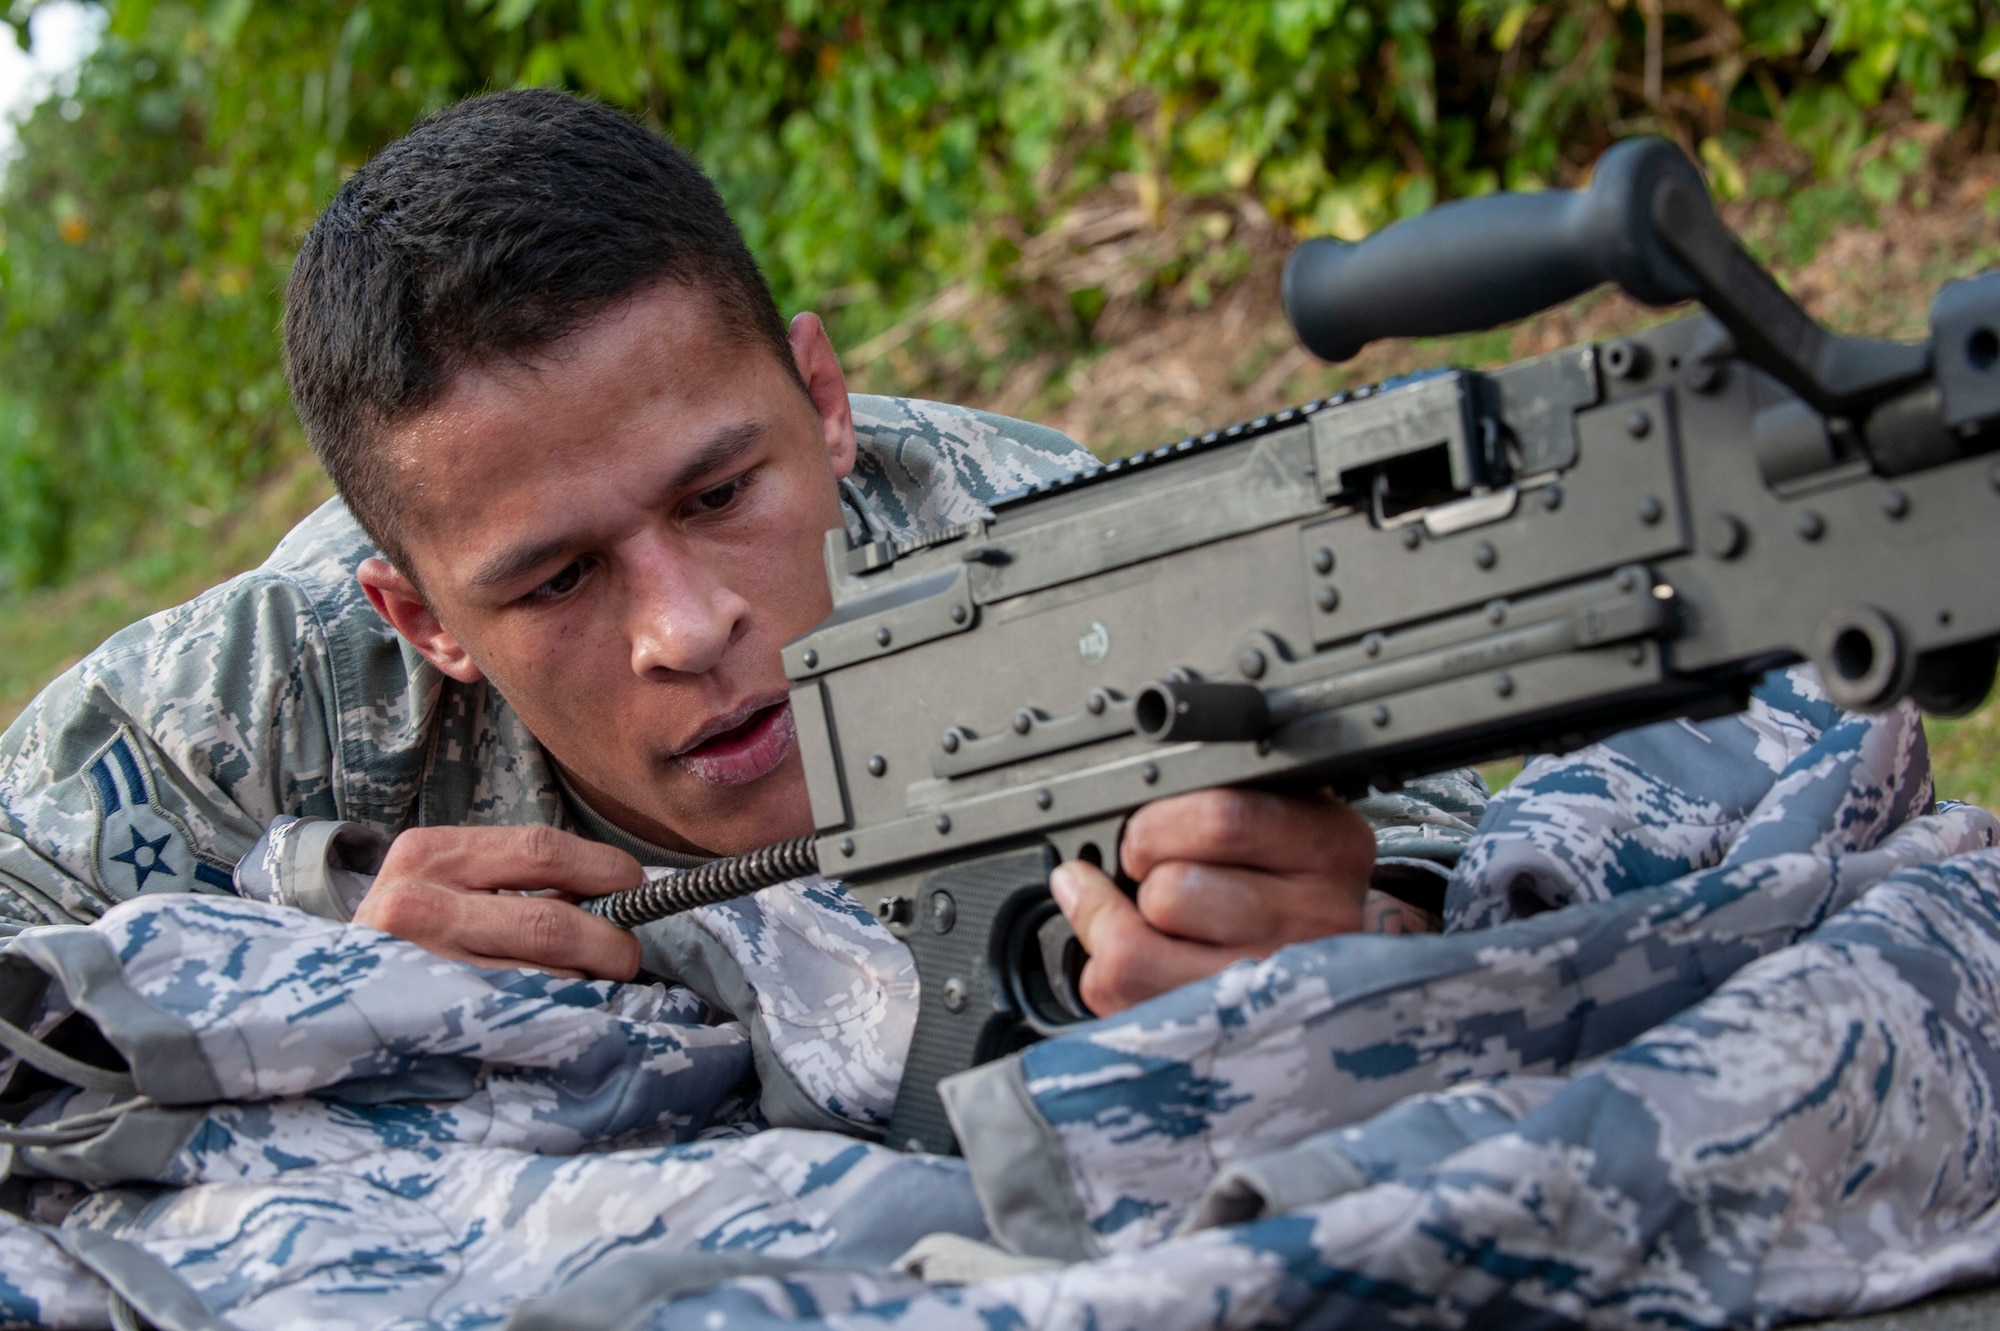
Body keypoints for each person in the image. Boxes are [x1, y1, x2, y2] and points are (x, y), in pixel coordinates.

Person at [0, 88, 1481, 1071]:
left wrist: (1364, 927)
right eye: (560, 578)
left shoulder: (1031, 541)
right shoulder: (261, 698)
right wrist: (310, 968)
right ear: (425, 618)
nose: (687, 625)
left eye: (720, 496)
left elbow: (1438, 819)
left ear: (824, 405)